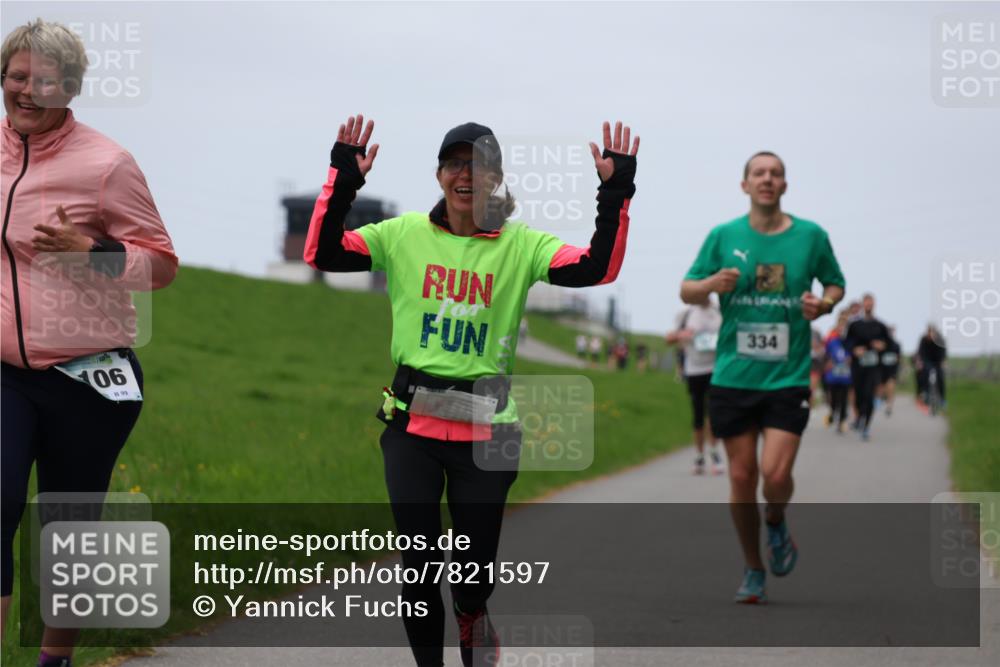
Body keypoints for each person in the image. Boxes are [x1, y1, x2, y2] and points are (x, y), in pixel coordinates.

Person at [304, 115, 638, 667]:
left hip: (488, 434)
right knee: (419, 570)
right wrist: (344, 180)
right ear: (439, 174)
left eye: (480, 165)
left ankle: (471, 609)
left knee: (473, 577)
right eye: (455, 164)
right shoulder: (402, 235)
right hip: (412, 429)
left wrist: (615, 190)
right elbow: (323, 253)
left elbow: (597, 268)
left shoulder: (521, 245)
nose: (466, 175)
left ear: (496, 179)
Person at [1, 19, 177, 666]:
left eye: (44, 80)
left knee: (68, 532)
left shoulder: (106, 164)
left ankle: (55, 660)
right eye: (17, 76)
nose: (27, 91)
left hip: (88, 377)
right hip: (7, 373)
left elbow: (161, 265)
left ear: (70, 88)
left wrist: (94, 251)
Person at [680, 150, 844, 604]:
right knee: (740, 476)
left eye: (775, 173)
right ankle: (753, 567)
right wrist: (711, 284)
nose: (767, 179)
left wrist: (824, 304)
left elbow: (835, 283)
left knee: (774, 474)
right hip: (733, 377)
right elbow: (687, 288)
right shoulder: (723, 235)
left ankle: (775, 517)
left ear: (784, 185)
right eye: (759, 173)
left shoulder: (811, 236)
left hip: (787, 377)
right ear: (745, 185)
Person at [665, 297, 723, 475]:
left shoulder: (719, 310)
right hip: (694, 370)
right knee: (698, 415)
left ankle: (714, 453)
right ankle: (699, 456)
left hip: (716, 369)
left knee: (714, 414)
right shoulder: (686, 313)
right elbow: (669, 338)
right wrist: (681, 335)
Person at [844, 293, 889, 440]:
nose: (868, 305)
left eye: (871, 303)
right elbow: (846, 342)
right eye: (866, 302)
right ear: (863, 304)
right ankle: (859, 417)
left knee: (869, 396)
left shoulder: (880, 325)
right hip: (858, 366)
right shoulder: (854, 325)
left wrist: (882, 346)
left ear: (874, 305)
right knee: (859, 395)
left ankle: (866, 426)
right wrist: (854, 350)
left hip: (873, 366)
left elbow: (890, 344)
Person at [823, 312, 853, 433]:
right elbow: (825, 353)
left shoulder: (850, 341)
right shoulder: (831, 340)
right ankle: (832, 412)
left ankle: (841, 422)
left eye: (844, 327)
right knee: (834, 398)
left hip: (846, 375)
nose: (842, 329)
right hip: (833, 374)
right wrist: (828, 361)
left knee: (844, 398)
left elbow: (855, 354)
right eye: (840, 326)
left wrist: (851, 359)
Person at [916, 324, 947, 408]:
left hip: (938, 361)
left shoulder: (940, 340)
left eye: (932, 333)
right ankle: (925, 392)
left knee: (940, 376)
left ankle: (942, 398)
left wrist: (943, 362)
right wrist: (919, 362)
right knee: (923, 372)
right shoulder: (923, 340)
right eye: (929, 333)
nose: (930, 335)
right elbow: (920, 352)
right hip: (927, 360)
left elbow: (943, 352)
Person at [878, 325, 901, 416]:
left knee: (891, 387)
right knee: (882, 388)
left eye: (892, 332)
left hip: (892, 370)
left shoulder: (896, 345)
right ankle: (880, 400)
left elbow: (898, 358)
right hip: (882, 369)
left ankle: (889, 406)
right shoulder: (882, 344)